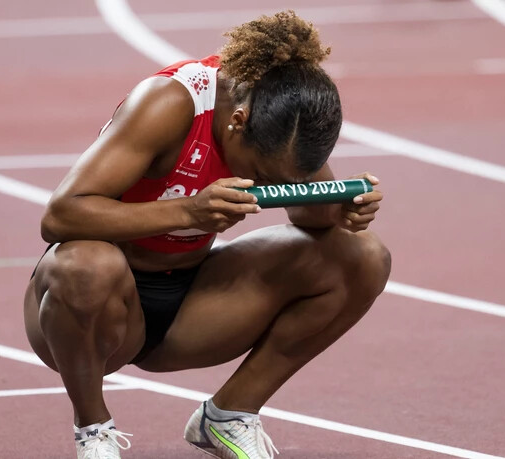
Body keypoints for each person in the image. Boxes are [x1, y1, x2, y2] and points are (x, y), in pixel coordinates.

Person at [23, 10, 391, 459]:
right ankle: (94, 429)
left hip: (192, 307)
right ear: (237, 121)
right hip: (99, 310)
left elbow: (312, 221)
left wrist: (343, 211)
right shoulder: (168, 104)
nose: (266, 183)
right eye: (260, 173)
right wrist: (187, 210)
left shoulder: (289, 120)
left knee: (363, 255)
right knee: (85, 265)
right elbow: (60, 216)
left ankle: (229, 415)